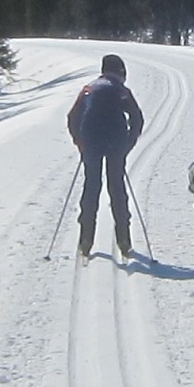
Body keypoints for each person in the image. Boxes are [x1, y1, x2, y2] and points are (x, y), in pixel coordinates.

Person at [66, 53, 146, 259]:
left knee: (91, 187)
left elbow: (72, 117)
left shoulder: (88, 89)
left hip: (91, 140)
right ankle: (124, 240)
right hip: (116, 141)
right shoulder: (122, 90)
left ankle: (86, 240)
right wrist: (127, 144)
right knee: (117, 188)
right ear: (121, 72)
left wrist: (79, 142)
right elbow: (137, 118)